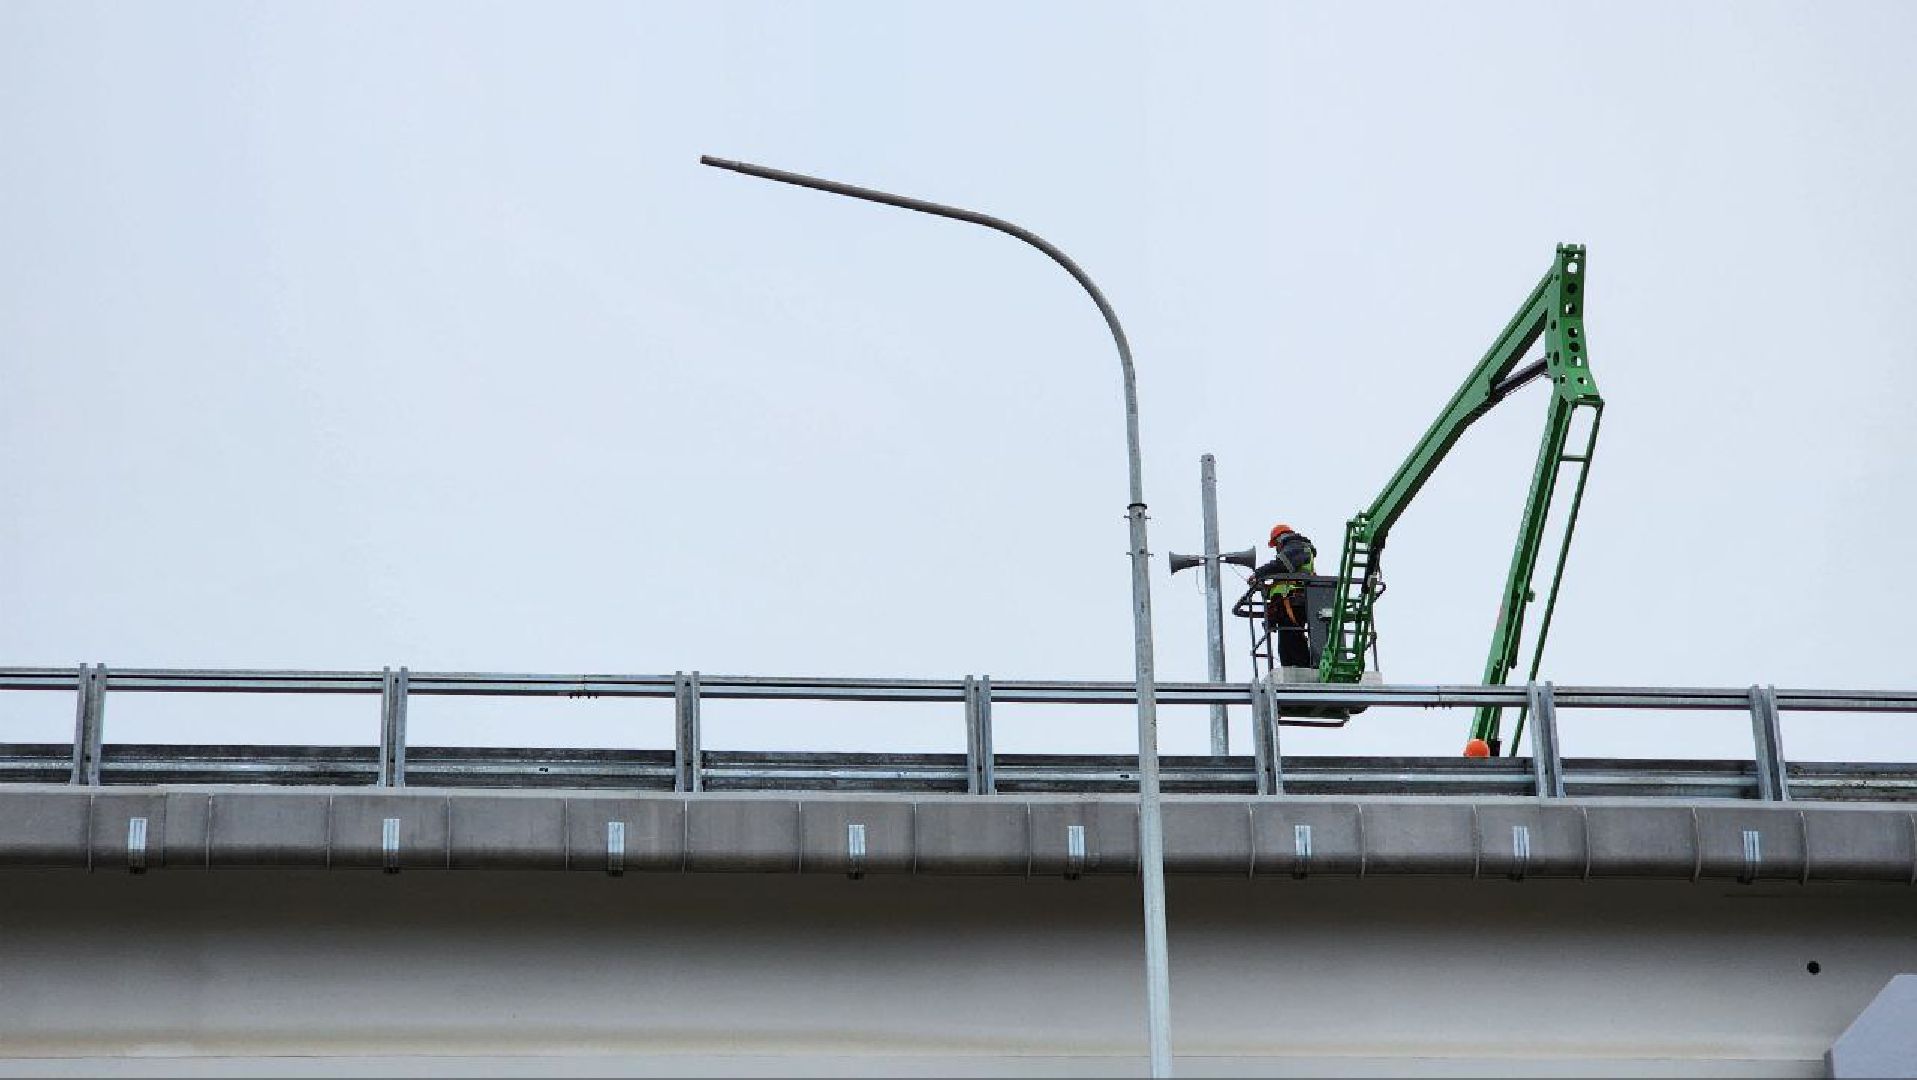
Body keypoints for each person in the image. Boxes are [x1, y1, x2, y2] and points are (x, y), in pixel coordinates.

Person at [1254, 523, 1317, 669]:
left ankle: (1302, 667)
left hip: (1295, 601)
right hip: (1287, 602)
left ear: (1281, 538)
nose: (1276, 548)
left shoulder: (1297, 546)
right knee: (1286, 642)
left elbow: (1282, 564)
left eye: (1276, 544)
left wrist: (1259, 573)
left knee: (1293, 637)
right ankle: (1291, 667)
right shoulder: (1295, 548)